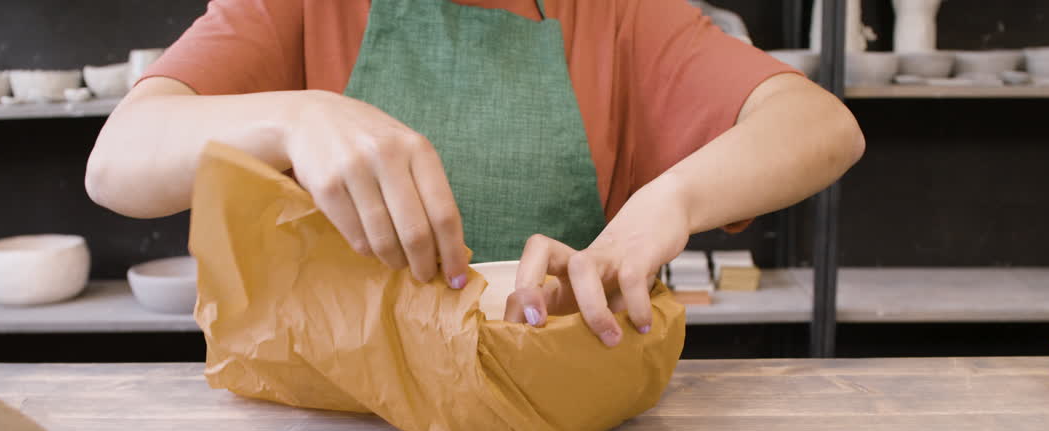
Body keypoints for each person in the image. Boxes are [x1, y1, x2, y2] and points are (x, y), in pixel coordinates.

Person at [87, 0, 864, 347]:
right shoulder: (295, 5)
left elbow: (822, 125)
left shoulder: (618, 13)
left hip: (545, 424)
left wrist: (670, 199)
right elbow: (118, 159)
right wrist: (294, 116)